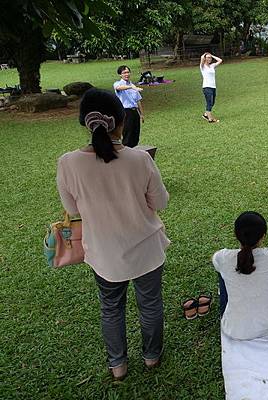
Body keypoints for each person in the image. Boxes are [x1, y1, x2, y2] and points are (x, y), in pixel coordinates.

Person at [56, 89, 170, 380]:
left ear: (85, 123)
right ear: (120, 121)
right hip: (146, 250)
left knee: (110, 308)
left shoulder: (68, 163)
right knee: (150, 304)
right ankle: (152, 357)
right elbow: (161, 203)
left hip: (103, 253)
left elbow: (71, 207)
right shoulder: (139, 159)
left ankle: (117, 365)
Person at [212, 212, 268, 340]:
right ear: (263, 236)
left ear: (235, 235)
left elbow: (214, 260)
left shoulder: (223, 257)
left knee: (222, 272)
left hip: (234, 329)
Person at [113, 65, 144, 147]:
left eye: (128, 72)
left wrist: (141, 114)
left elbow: (138, 101)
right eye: (124, 73)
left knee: (135, 133)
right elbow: (119, 88)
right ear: (120, 75)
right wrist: (131, 87)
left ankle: (134, 152)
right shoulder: (118, 84)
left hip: (134, 112)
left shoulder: (133, 86)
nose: (127, 74)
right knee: (127, 133)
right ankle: (125, 152)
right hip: (125, 112)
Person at [200, 52, 223, 123]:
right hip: (206, 87)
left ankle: (205, 114)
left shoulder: (212, 66)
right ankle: (210, 119)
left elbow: (220, 60)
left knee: (212, 102)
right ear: (205, 58)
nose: (209, 59)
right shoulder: (202, 66)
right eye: (208, 57)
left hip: (213, 87)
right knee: (209, 102)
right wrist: (205, 55)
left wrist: (212, 55)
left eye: (210, 58)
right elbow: (201, 58)